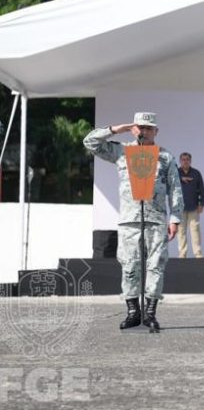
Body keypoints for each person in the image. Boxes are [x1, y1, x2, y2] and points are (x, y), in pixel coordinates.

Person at [83, 112, 183, 332]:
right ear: (134, 129)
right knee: (130, 266)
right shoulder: (122, 151)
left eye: (149, 128)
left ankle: (150, 314)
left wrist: (175, 218)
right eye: (140, 127)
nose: (144, 131)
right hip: (129, 221)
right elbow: (89, 142)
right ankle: (132, 312)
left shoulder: (165, 157)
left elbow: (175, 188)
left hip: (156, 220)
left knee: (156, 266)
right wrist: (119, 128)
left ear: (156, 131)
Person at [176, 153, 204, 258]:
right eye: (183, 159)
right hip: (179, 207)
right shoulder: (176, 173)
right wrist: (181, 179)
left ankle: (197, 253)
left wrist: (202, 203)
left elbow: (202, 190)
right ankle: (182, 254)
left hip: (194, 206)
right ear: (180, 161)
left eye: (187, 159)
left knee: (195, 231)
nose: (185, 161)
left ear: (190, 161)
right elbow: (169, 185)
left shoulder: (196, 173)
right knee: (181, 231)